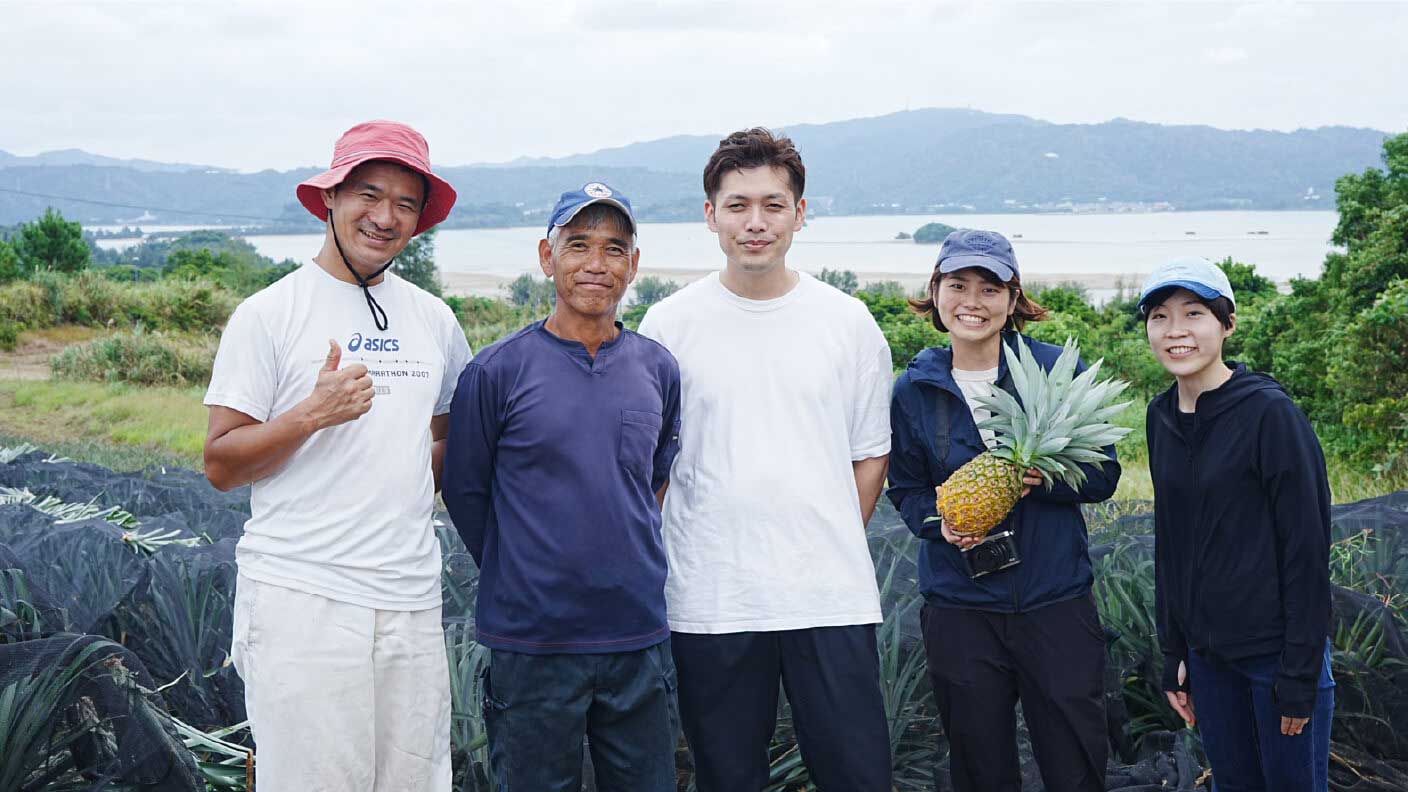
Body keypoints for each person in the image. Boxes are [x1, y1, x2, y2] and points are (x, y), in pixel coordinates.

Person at [202, 120, 469, 789]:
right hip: (304, 598)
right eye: (369, 195)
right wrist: (309, 417)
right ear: (330, 198)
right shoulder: (271, 314)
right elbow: (222, 464)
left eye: (406, 204)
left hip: (408, 598)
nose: (384, 218)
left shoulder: (433, 319)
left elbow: (447, 435)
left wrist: (406, 481)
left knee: (415, 779)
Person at [637, 128, 894, 791]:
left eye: (774, 205)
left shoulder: (847, 322)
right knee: (727, 776)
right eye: (738, 204)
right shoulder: (669, 325)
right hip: (710, 598)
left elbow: (871, 456)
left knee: (858, 774)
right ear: (710, 215)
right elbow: (653, 469)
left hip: (828, 597)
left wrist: (824, 534)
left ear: (800, 213)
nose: (756, 223)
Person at [442, 183, 682, 791]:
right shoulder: (496, 371)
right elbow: (467, 493)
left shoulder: (657, 368)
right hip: (533, 640)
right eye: (578, 245)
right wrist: (525, 568)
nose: (596, 264)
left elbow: (653, 476)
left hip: (637, 632)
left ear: (634, 265)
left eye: (614, 248)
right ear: (548, 257)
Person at [886, 229, 1118, 792]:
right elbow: (907, 488)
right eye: (958, 285)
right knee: (979, 767)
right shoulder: (913, 388)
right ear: (936, 294)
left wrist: (1044, 479)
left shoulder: (1053, 372)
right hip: (960, 608)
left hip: (1054, 600)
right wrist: (939, 525)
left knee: (1074, 762)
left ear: (1014, 300)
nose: (973, 301)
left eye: (991, 288)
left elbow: (1105, 475)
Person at [1140, 256, 1334, 792]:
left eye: (1194, 313)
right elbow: (1171, 542)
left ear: (1227, 324)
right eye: (1159, 316)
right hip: (1209, 660)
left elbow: (1307, 547)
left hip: (1276, 659)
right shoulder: (1160, 418)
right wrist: (1175, 651)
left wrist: (1298, 673)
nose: (1176, 331)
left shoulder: (1270, 414)